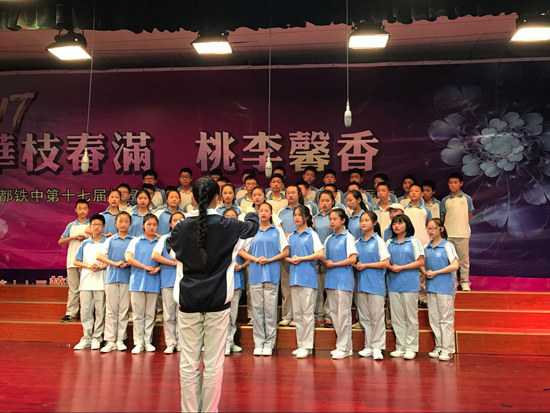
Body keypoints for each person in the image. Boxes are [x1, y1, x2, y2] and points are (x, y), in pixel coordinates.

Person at [168, 177, 259, 413]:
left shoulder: (180, 228)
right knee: (213, 364)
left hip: (188, 302)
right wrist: (251, 210)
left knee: (188, 363)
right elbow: (253, 227)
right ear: (217, 198)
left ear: (193, 198)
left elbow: (171, 251)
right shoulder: (231, 226)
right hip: (218, 304)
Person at [239, 203, 289, 356]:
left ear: (271, 213)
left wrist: (270, 259)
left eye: (267, 211)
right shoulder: (252, 231)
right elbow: (240, 250)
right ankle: (258, 343)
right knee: (257, 310)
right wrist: (254, 259)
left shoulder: (277, 231)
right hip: (255, 274)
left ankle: (269, 343)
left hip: (272, 274)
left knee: (270, 310)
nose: (264, 213)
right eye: (261, 211)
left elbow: (286, 251)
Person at [285, 205, 324, 359]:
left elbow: (320, 253)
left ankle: (307, 346)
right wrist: (289, 259)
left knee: (307, 313)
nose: (296, 217)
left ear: (306, 217)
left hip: (308, 278)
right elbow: (284, 254)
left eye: (299, 215)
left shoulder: (312, 234)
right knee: (297, 314)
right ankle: (300, 344)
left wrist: (302, 258)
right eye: (294, 215)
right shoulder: (291, 236)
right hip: (294, 277)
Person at [386, 215, 425, 360]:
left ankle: (411, 347)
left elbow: (420, 262)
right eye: (394, 223)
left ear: (407, 225)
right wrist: (390, 266)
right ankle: (400, 346)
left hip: (410, 284)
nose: (396, 226)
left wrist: (402, 267)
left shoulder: (414, 241)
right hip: (393, 284)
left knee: (411, 317)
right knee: (397, 317)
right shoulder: (389, 242)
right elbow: (385, 260)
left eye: (400, 223)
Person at [421, 218, 459, 361]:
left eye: (433, 228)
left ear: (441, 229)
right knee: (434, 319)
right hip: (431, 287)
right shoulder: (425, 247)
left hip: (444, 287)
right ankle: (439, 346)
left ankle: (448, 349)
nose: (430, 231)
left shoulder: (447, 246)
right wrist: (425, 272)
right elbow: (420, 263)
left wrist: (437, 272)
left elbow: (455, 265)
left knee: (445, 319)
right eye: (428, 228)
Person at [354, 211, 390, 360]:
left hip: (375, 284)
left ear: (374, 223)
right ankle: (368, 345)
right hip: (361, 283)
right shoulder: (357, 242)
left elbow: (386, 262)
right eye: (361, 220)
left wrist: (366, 265)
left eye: (367, 220)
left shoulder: (379, 241)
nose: (363, 223)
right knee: (364, 317)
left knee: (377, 317)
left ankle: (377, 347)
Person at [97, 211, 133, 353]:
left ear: (130, 224)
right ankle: (110, 340)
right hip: (111, 277)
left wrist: (128, 263)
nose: (123, 224)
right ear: (115, 223)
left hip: (127, 278)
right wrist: (114, 263)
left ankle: (120, 339)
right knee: (111, 310)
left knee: (123, 310)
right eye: (120, 221)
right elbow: (100, 256)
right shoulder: (110, 240)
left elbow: (136, 258)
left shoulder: (133, 240)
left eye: (126, 221)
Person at [324, 208, 358, 359]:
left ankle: (343, 347)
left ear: (343, 220)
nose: (331, 222)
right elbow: (324, 257)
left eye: (335, 219)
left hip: (344, 280)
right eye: (330, 219)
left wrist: (335, 264)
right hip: (331, 280)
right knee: (334, 314)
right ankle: (345, 346)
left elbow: (353, 259)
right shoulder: (329, 239)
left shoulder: (348, 237)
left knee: (344, 315)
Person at [125, 214, 161, 354]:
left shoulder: (160, 242)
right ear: (143, 225)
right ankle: (138, 342)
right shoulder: (135, 241)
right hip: (137, 281)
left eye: (154, 225)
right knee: (138, 314)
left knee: (150, 314)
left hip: (154, 281)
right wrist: (145, 267)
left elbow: (165, 260)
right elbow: (129, 258)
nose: (151, 227)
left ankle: (148, 341)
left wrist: (158, 268)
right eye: (149, 224)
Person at [72, 214, 107, 350]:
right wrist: (87, 265)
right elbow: (76, 261)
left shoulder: (107, 242)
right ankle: (86, 338)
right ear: (90, 226)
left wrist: (100, 267)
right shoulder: (85, 243)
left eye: (99, 224)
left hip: (101, 281)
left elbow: (110, 262)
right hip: (86, 282)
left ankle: (97, 338)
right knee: (86, 311)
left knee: (100, 311)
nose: (96, 227)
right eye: (94, 224)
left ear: (103, 227)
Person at [152, 212, 185, 354]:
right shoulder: (165, 238)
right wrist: (173, 263)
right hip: (168, 280)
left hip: (185, 281)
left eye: (181, 220)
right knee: (169, 315)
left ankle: (182, 343)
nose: (178, 222)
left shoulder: (189, 237)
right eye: (175, 220)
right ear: (170, 224)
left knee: (182, 314)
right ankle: (171, 343)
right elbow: (155, 255)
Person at [222, 208, 248, 356]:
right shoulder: (217, 237)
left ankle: (230, 342)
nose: (231, 219)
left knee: (233, 315)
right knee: (223, 315)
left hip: (236, 280)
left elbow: (250, 259)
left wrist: (242, 266)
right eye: (227, 216)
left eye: (233, 216)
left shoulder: (242, 238)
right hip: (221, 282)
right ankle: (222, 343)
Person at [441, 172, 474, 291]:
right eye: (450, 183)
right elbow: (443, 216)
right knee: (451, 259)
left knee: (464, 260)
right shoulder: (445, 200)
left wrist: (461, 225)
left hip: (462, 234)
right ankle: (453, 282)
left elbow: (469, 215)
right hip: (449, 234)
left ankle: (465, 282)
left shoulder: (467, 198)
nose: (453, 185)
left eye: (455, 182)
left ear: (461, 183)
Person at [276, 184, 303, 326]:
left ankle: (298, 316)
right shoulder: (281, 212)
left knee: (300, 287)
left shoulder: (304, 210)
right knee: (286, 287)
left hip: (301, 252)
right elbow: (278, 231)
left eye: (293, 192)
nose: (290, 195)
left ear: (299, 194)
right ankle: (287, 315)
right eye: (288, 192)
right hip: (286, 252)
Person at [59, 199, 90, 323]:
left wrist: (86, 238)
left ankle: (86, 313)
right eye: (80, 208)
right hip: (72, 261)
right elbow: (61, 241)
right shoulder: (71, 225)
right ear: (75, 210)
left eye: (85, 208)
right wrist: (73, 238)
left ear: (88, 210)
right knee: (73, 289)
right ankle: (71, 313)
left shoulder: (92, 225)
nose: (82, 211)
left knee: (86, 289)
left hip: (87, 262)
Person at [313, 190, 335, 328]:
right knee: (318, 289)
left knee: (330, 289)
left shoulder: (335, 217)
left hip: (332, 259)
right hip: (317, 258)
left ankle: (329, 316)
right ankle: (319, 315)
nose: (324, 203)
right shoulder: (314, 219)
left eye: (327, 200)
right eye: (322, 201)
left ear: (333, 201)